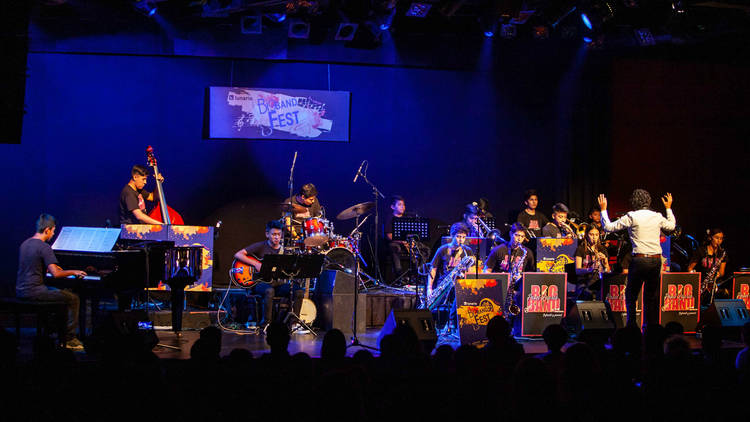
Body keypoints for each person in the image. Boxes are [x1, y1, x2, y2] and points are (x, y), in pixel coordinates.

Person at [599, 189, 675, 329]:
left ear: (633, 202)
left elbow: (608, 227)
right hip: (656, 260)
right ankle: (650, 328)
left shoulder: (632, 216)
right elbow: (671, 226)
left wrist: (604, 210)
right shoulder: (657, 216)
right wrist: (668, 208)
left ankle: (632, 328)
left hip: (640, 260)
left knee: (631, 295)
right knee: (650, 298)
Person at [15, 214, 87, 351]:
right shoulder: (44, 247)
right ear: (47, 230)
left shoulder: (25, 244)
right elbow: (56, 273)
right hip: (34, 291)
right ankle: (69, 338)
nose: (53, 234)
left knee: (57, 292)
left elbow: (37, 266)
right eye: (53, 231)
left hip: (21, 290)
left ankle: (53, 331)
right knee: (73, 298)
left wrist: (57, 267)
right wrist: (74, 271)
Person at [233, 220, 304, 328]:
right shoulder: (261, 246)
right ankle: (266, 324)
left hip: (277, 284)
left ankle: (294, 323)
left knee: (298, 291)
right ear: (267, 234)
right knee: (269, 291)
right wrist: (256, 263)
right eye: (274, 234)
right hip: (260, 283)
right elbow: (238, 254)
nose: (276, 237)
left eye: (279, 234)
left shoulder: (283, 251)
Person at [484, 223, 535, 330]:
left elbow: (531, 275)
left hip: (516, 288)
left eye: (522, 236)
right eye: (517, 235)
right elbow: (486, 271)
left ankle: (517, 327)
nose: (519, 239)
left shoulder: (527, 252)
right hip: (499, 287)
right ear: (511, 234)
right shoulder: (498, 250)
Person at [427, 223, 474, 334]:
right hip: (443, 284)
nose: (461, 240)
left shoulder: (468, 251)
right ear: (452, 236)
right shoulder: (442, 249)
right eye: (458, 236)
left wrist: (465, 275)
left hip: (459, 284)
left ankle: (453, 324)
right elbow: (433, 268)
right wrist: (429, 287)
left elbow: (471, 271)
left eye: (463, 237)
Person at [688, 228, 729, 304]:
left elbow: (722, 272)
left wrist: (716, 276)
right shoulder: (701, 251)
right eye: (717, 238)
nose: (719, 241)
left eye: (721, 239)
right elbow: (690, 268)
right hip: (701, 283)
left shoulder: (722, 253)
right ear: (710, 238)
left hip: (714, 284)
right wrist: (695, 279)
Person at [574, 225, 610, 298]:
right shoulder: (581, 249)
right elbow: (577, 270)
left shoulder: (602, 249)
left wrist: (605, 262)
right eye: (591, 234)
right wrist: (590, 269)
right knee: (588, 294)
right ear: (586, 235)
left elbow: (608, 271)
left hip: (598, 281)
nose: (594, 237)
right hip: (584, 281)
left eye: (596, 235)